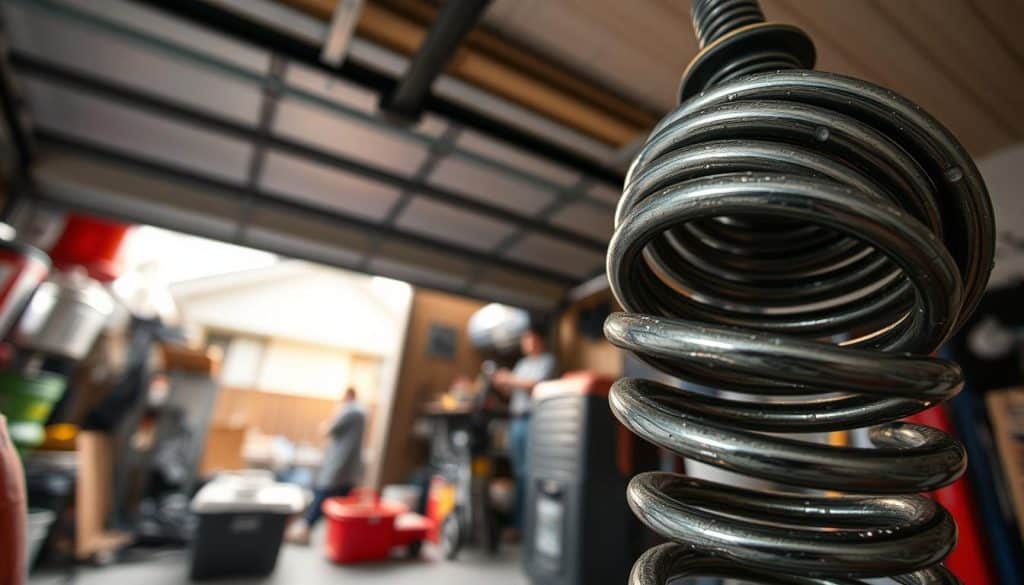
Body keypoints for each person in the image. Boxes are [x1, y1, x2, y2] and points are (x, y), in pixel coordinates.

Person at [492, 323, 556, 532]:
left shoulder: (547, 361)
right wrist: (502, 384)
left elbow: (535, 386)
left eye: (529, 338)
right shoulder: (521, 364)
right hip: (517, 421)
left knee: (530, 473)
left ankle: (525, 526)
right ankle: (518, 525)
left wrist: (510, 379)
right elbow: (513, 391)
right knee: (518, 473)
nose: (525, 343)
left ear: (539, 340)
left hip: (533, 420)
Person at [286, 387, 366, 545]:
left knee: (324, 495)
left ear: (348, 396)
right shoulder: (360, 412)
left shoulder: (351, 411)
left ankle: (304, 530)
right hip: (348, 467)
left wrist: (328, 422)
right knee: (339, 501)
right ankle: (339, 537)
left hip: (339, 464)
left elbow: (329, 429)